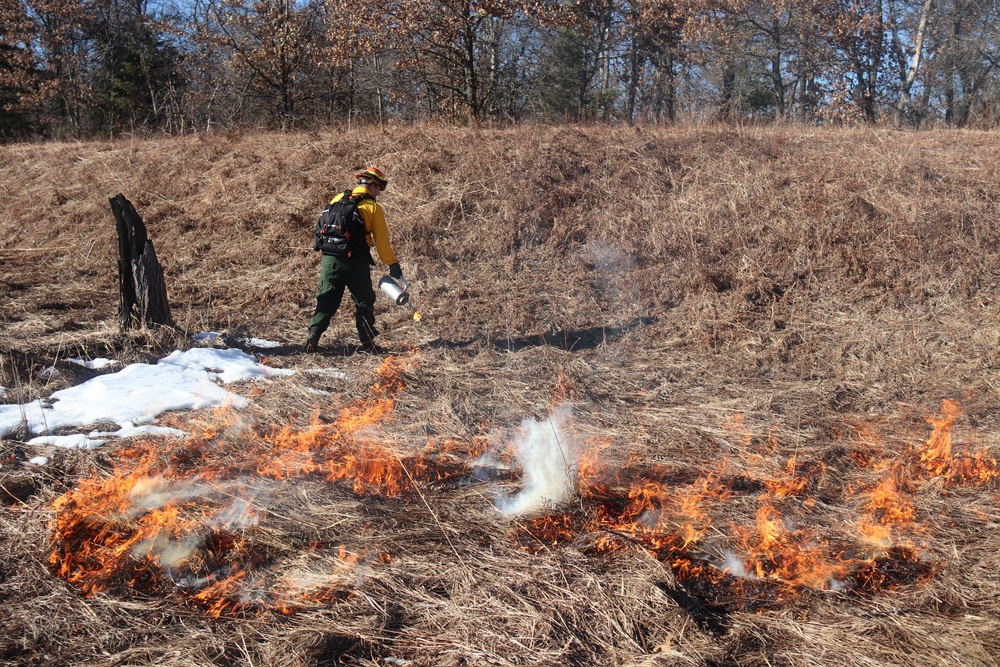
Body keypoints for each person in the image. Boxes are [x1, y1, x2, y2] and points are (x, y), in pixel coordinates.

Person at [306, 167, 403, 353]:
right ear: (372, 186)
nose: (379, 193)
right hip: (356, 262)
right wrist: (392, 264)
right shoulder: (372, 207)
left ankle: (313, 336)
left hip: (330, 260)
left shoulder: (337, 199)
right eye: (379, 188)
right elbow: (382, 242)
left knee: (326, 299)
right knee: (364, 301)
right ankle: (368, 344)